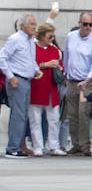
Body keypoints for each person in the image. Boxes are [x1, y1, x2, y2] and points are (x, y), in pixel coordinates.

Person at [62, 12, 92, 156]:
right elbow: (66, 55)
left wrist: (87, 80)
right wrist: (66, 73)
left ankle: (85, 144)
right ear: (79, 24)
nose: (88, 27)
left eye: (90, 25)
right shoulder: (70, 37)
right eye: (85, 24)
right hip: (72, 81)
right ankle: (76, 144)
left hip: (87, 82)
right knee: (72, 114)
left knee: (83, 113)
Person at [1, 14, 38, 158]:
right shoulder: (15, 39)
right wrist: (10, 77)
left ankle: (17, 146)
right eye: (31, 24)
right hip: (17, 80)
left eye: (35, 23)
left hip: (27, 80)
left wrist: (36, 70)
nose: (34, 26)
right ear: (23, 25)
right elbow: (2, 58)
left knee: (22, 115)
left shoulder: (30, 41)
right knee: (18, 115)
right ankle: (12, 148)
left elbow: (30, 60)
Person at [26, 23, 64, 155]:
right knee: (35, 119)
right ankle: (38, 146)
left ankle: (54, 145)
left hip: (51, 89)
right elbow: (30, 65)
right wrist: (46, 64)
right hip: (37, 88)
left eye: (53, 36)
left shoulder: (54, 50)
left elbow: (61, 67)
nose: (52, 38)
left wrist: (59, 68)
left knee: (54, 118)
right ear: (41, 35)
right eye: (49, 36)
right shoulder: (33, 48)